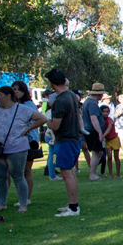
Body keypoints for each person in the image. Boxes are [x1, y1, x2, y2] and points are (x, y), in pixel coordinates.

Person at [0, 86, 47, 214]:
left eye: (0, 94)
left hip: (17, 147)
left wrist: (28, 129)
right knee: (0, 177)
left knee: (18, 176)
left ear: (8, 96)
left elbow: (42, 119)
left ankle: (23, 204)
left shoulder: (22, 109)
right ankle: (2, 203)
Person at [45, 70, 83, 216]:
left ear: (52, 83)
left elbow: (55, 126)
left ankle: (73, 208)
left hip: (65, 140)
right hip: (73, 138)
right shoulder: (72, 96)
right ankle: (73, 204)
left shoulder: (60, 100)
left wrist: (45, 121)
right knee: (70, 172)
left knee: (66, 173)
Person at [11, 81, 40, 201]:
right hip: (17, 141)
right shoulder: (14, 105)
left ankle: (26, 198)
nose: (15, 91)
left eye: (18, 89)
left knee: (26, 170)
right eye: (13, 89)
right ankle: (23, 197)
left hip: (28, 141)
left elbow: (35, 121)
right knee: (19, 171)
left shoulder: (28, 105)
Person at [81, 83, 107, 180]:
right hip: (93, 131)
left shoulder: (87, 102)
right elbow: (94, 119)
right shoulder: (92, 103)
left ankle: (93, 173)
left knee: (97, 153)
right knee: (96, 153)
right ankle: (93, 174)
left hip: (89, 130)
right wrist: (100, 132)